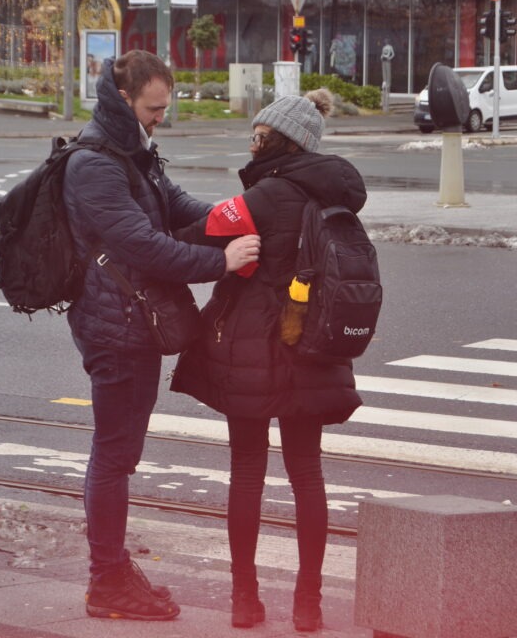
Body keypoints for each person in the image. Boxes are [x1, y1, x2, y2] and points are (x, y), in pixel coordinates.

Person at [62, 51, 260, 622]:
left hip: (131, 322)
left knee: (119, 454)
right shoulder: (95, 164)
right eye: (153, 108)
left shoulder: (132, 151)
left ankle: (113, 571)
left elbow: (174, 205)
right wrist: (221, 261)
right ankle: (106, 581)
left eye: (164, 107)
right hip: (116, 329)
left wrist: (240, 216)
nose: (160, 118)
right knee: (114, 455)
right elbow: (144, 245)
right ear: (123, 99)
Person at [171, 89, 366, 631]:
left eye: (258, 136)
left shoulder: (258, 200)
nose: (252, 145)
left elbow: (188, 236)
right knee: (307, 473)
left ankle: (245, 600)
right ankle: (308, 604)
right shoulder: (336, 199)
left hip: (252, 352)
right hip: (314, 350)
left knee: (247, 472)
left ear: (278, 141)